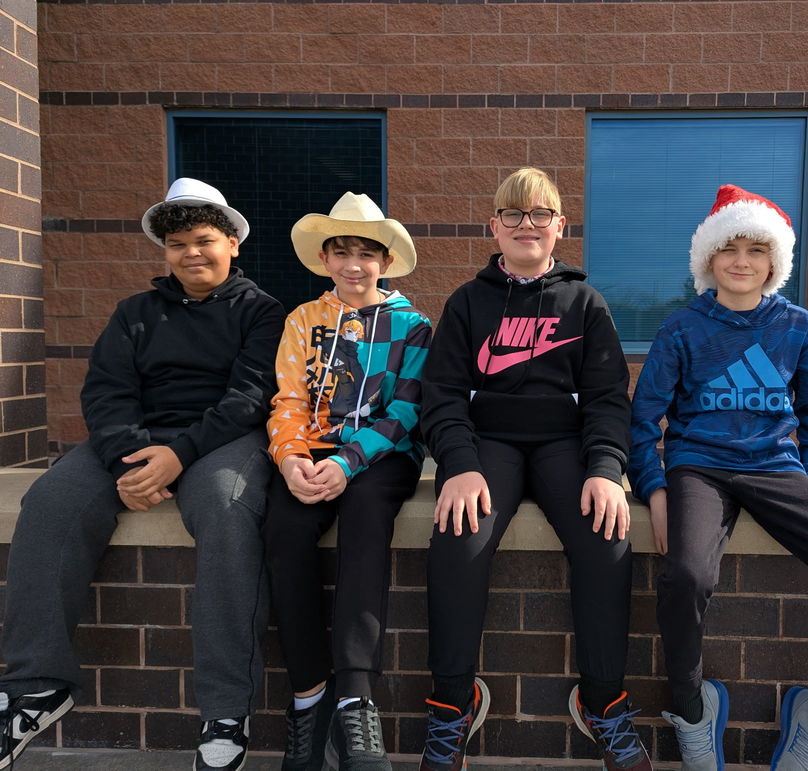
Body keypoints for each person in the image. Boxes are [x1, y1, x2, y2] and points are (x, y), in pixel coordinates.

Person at [0, 178, 285, 771]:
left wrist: (178, 456)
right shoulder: (134, 313)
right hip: (136, 441)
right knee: (50, 501)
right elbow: (105, 391)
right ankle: (35, 685)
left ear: (233, 243)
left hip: (223, 442)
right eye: (177, 244)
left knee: (226, 506)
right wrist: (132, 459)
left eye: (204, 240)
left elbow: (250, 396)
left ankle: (225, 709)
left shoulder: (264, 312)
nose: (191, 254)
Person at [627, 184, 808, 770]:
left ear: (774, 260)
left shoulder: (798, 326)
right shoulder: (683, 328)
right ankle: (694, 710)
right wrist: (655, 487)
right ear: (709, 260)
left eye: (755, 249)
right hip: (699, 466)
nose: (741, 261)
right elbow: (644, 418)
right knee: (686, 578)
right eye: (729, 249)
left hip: (776, 467)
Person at [418, 167, 651, 771]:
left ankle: (603, 702)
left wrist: (604, 467)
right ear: (493, 226)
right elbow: (441, 393)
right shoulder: (468, 303)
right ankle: (451, 706)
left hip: (562, 446)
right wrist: (459, 465)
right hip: (487, 443)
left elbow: (606, 396)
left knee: (607, 536)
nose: (527, 225)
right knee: (457, 537)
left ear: (559, 226)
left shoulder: (585, 302)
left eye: (539, 214)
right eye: (514, 215)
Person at [263, 193, 431, 771]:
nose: (353, 265)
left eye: (365, 253)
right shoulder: (301, 321)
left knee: (364, 522)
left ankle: (356, 699)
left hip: (381, 460)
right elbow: (287, 400)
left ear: (385, 260)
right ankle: (310, 700)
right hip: (308, 454)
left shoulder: (413, 326)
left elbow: (407, 410)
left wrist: (347, 462)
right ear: (325, 258)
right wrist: (290, 460)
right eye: (340, 252)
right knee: (284, 532)